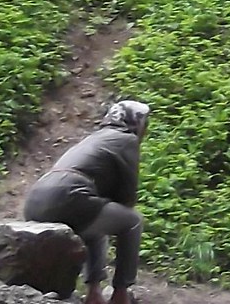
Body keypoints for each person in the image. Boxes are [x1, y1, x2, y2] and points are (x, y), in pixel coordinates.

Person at [22, 100, 149, 304]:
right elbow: (127, 198)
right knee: (132, 221)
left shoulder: (95, 137)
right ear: (137, 123)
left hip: (35, 200)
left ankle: (94, 293)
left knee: (96, 220)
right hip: (67, 196)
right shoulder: (126, 139)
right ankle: (120, 293)